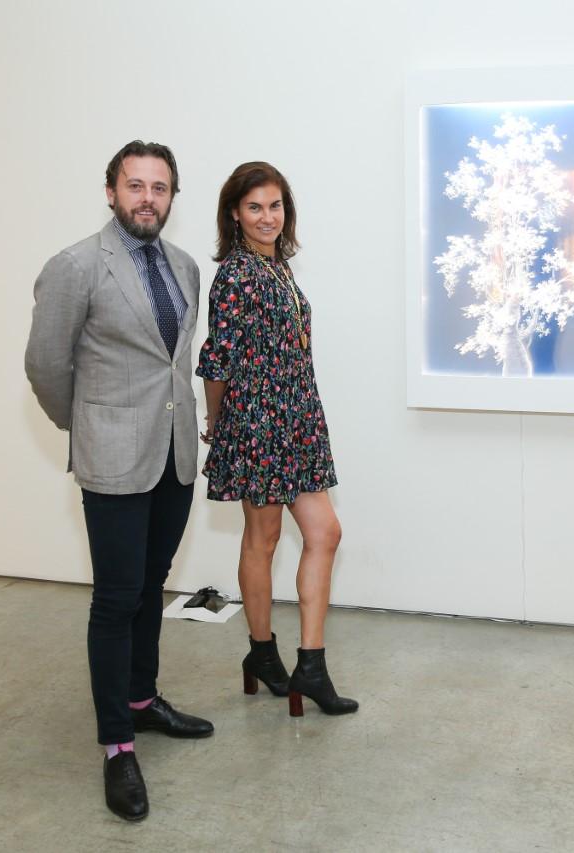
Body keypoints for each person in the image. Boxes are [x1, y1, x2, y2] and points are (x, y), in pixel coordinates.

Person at [25, 140, 214, 821]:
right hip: (114, 460)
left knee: (150, 586)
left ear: (171, 197)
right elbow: (47, 366)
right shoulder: (77, 265)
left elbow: (173, 364)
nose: (147, 198)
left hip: (173, 458)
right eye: (135, 185)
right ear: (111, 191)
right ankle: (116, 743)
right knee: (115, 598)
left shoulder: (187, 266)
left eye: (159, 188)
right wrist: (91, 426)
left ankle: (142, 697)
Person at [197, 162, 357, 718]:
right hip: (259, 422)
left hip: (297, 416)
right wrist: (217, 425)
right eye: (254, 207)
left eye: (275, 206)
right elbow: (216, 359)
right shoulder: (236, 274)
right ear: (235, 215)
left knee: (324, 533)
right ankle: (264, 655)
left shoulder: (280, 268)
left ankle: (308, 666)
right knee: (262, 539)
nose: (267, 217)